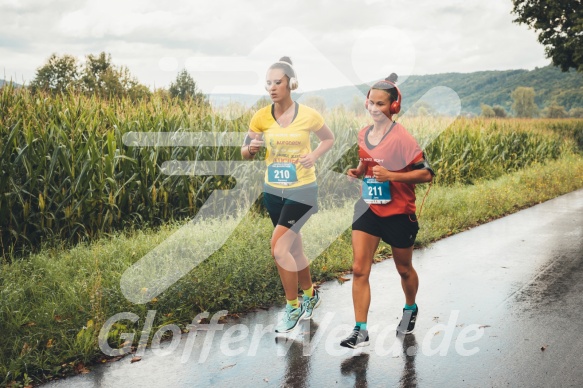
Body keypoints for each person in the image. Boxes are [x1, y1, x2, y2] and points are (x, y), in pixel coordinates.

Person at [340, 73, 434, 348]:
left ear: (393, 107)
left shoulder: (402, 137)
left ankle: (410, 307)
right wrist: (358, 172)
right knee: (359, 269)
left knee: (404, 269)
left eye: (381, 104)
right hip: (368, 208)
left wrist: (392, 175)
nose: (374, 108)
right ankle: (360, 330)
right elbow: (366, 162)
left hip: (398, 213)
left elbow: (426, 174)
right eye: (371, 103)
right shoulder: (363, 133)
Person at [241, 56, 335, 333]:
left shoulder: (309, 115)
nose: (272, 88)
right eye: (268, 83)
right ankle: (310, 295)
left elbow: (328, 139)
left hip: (303, 191)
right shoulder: (260, 116)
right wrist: (252, 150)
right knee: (294, 248)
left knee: (279, 248)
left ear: (291, 84)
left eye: (277, 82)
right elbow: (244, 152)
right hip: (273, 192)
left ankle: (292, 306)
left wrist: (313, 155)